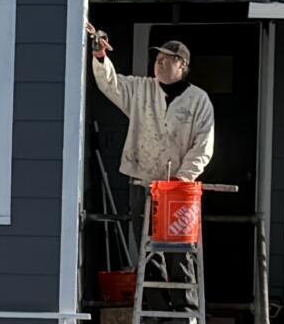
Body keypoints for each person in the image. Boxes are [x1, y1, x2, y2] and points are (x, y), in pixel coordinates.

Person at [88, 27, 213, 258]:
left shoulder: (198, 100)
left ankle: (181, 296)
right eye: (158, 59)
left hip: (178, 189)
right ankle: (151, 296)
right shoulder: (141, 89)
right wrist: (100, 56)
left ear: (183, 65)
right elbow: (110, 83)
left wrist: (181, 178)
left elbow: (203, 145)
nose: (160, 63)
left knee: (180, 253)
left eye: (167, 59)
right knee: (149, 252)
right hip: (143, 182)